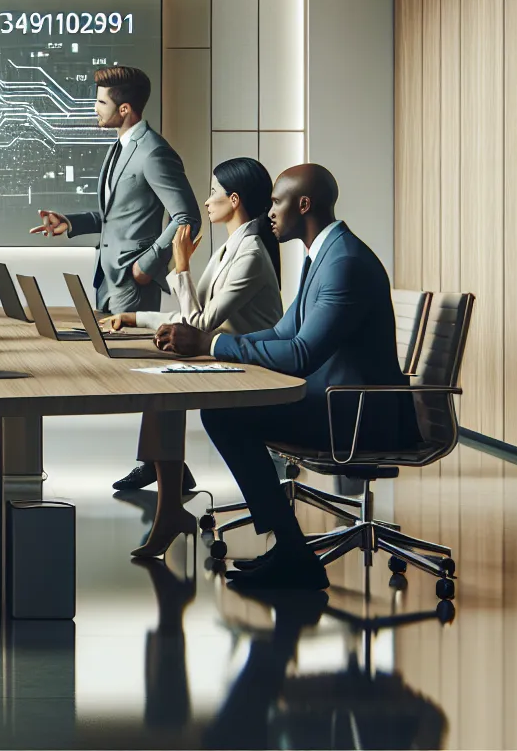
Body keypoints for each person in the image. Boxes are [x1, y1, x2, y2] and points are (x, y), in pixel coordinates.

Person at [158, 163, 411, 590]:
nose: (269, 212)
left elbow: (301, 354)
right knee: (224, 411)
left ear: (304, 204)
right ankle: (288, 547)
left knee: (224, 416)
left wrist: (211, 346)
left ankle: (293, 552)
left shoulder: (344, 262)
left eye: (277, 202)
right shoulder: (324, 256)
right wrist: (215, 346)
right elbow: (281, 333)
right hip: (336, 400)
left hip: (356, 411)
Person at [28, 64, 201, 494]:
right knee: (144, 375)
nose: (94, 107)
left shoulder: (153, 152)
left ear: (124, 108)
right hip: (109, 276)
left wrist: (148, 265)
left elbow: (187, 217)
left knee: (151, 374)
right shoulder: (123, 146)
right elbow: (114, 216)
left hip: (132, 278)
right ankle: (163, 465)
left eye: (101, 102)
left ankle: (167, 468)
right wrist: (71, 222)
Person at [100, 156, 284, 558]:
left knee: (164, 390)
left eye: (214, 193)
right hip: (226, 360)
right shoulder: (229, 251)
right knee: (159, 392)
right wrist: (134, 317)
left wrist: (181, 264)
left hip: (251, 368)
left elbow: (197, 324)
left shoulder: (250, 253)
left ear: (234, 200)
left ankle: (169, 507)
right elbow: (188, 318)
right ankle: (169, 510)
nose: (206, 200)